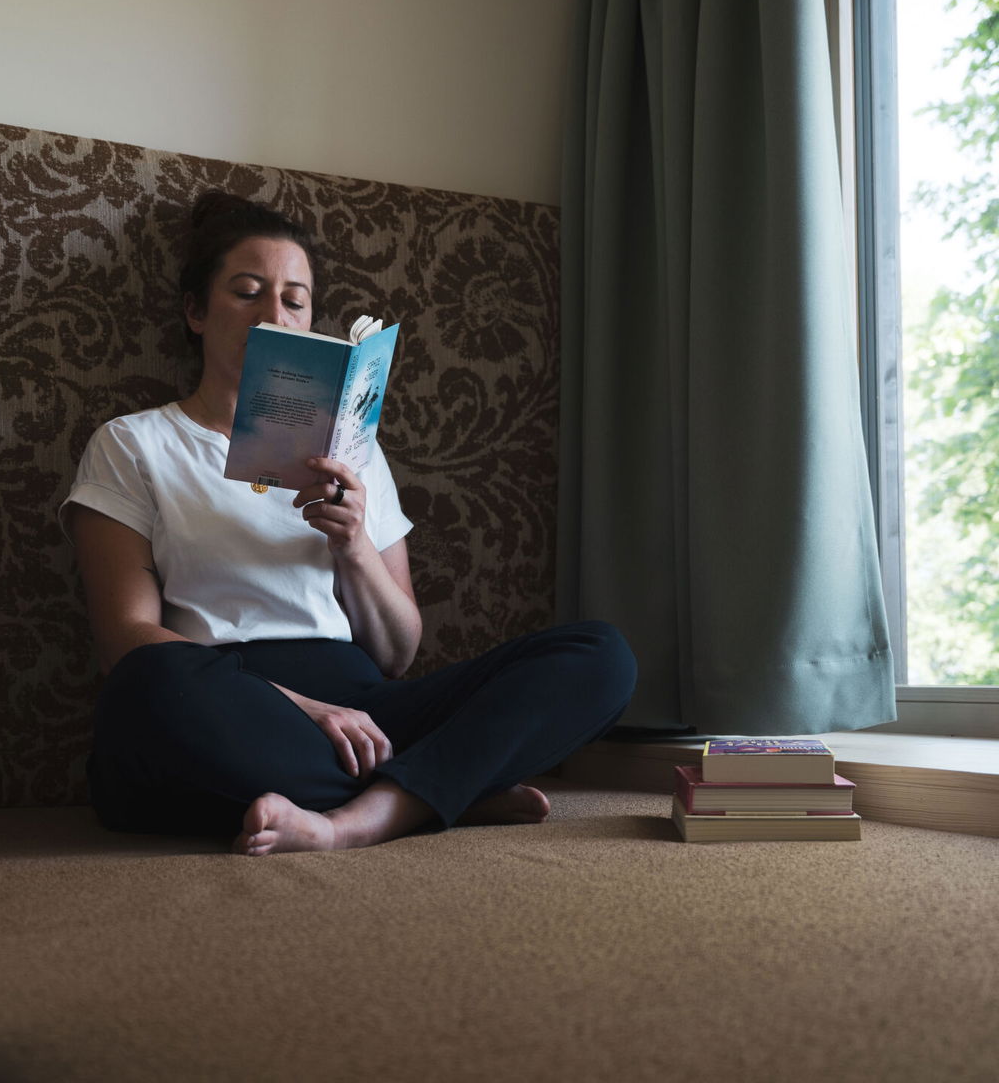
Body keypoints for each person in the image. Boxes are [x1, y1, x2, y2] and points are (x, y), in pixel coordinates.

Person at [61, 190, 637, 855]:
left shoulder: (351, 449)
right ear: (196, 311)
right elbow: (124, 639)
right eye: (247, 291)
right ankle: (437, 788)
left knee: (601, 657)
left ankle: (360, 817)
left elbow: (398, 653)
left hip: (366, 706)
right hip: (228, 701)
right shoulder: (134, 444)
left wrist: (355, 544)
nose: (273, 313)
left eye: (295, 299)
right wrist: (300, 707)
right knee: (142, 690)